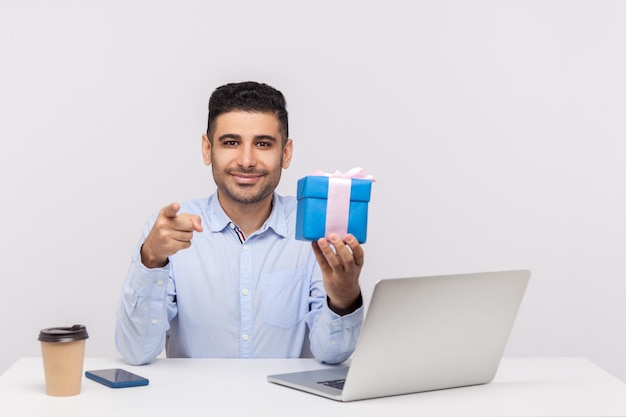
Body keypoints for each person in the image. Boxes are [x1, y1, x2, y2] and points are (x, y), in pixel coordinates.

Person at [115, 81, 365, 366]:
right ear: (207, 149)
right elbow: (136, 352)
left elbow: (331, 356)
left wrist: (344, 298)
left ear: (286, 153)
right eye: (231, 143)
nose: (247, 161)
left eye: (263, 144)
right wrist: (150, 261)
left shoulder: (313, 229)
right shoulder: (170, 231)